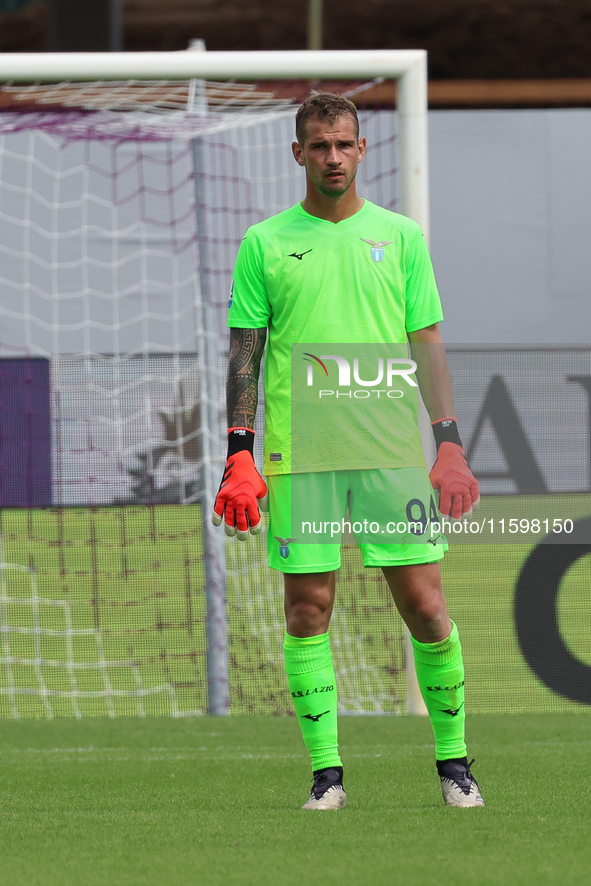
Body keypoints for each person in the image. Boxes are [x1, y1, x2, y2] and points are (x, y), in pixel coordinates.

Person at [213, 93, 484, 811]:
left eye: (343, 144)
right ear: (297, 155)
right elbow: (246, 354)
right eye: (318, 146)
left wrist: (448, 442)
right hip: (299, 455)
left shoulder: (399, 237)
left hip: (391, 453)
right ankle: (326, 776)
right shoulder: (265, 243)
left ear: (361, 151)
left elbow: (425, 342)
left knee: (425, 607)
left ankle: (455, 765)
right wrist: (238, 452)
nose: (331, 157)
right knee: (307, 611)